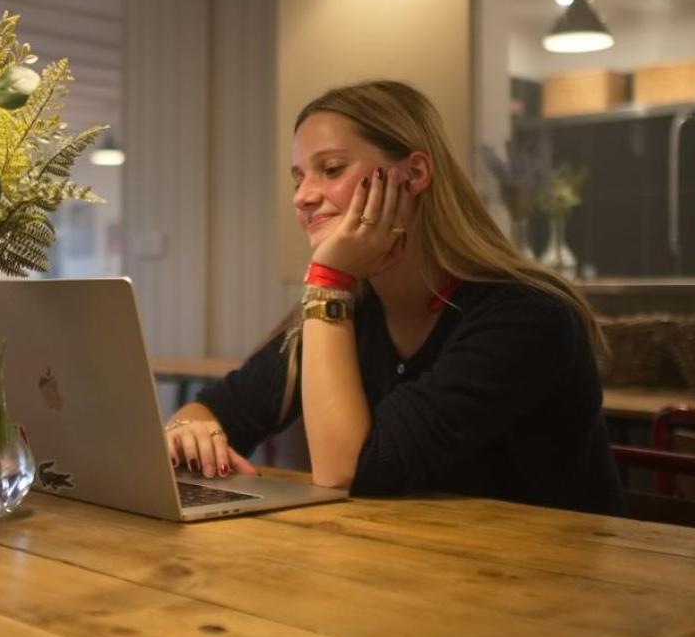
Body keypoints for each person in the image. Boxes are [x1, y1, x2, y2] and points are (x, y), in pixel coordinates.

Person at [165, 80, 624, 517]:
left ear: (415, 173)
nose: (303, 196)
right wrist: (188, 431)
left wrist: (327, 281)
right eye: (298, 177)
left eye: (331, 169)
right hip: (415, 572)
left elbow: (350, 471)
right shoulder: (349, 311)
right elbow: (215, 408)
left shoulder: (529, 319)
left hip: (548, 584)